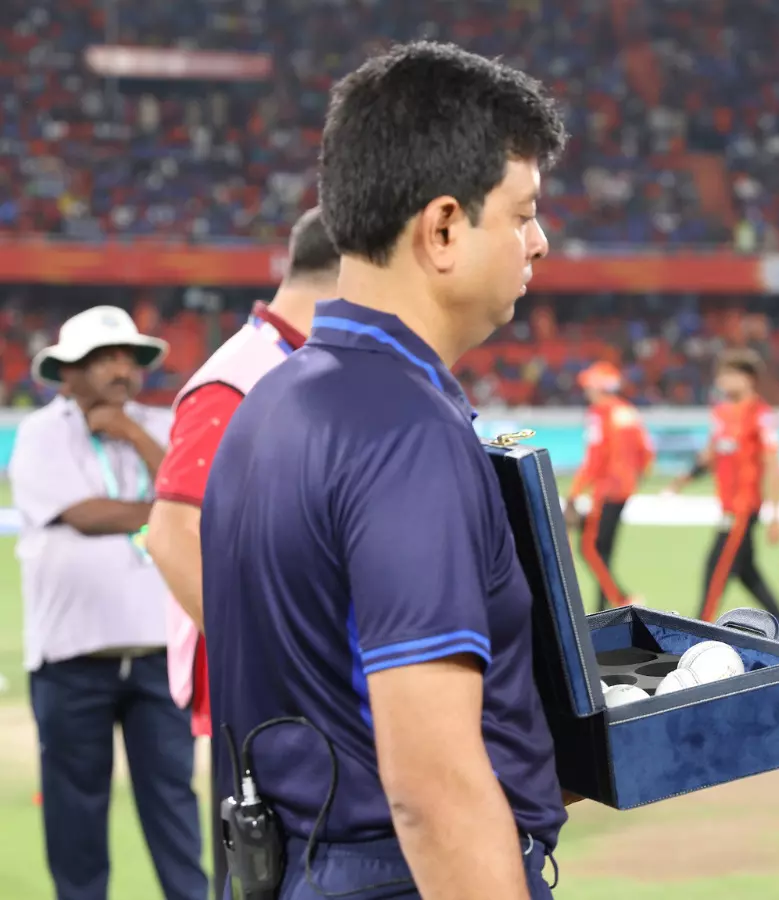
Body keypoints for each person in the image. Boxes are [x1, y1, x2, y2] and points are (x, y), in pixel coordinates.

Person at [198, 42, 570, 899]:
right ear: (442, 229)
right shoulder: (406, 432)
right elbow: (433, 790)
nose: (539, 243)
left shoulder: (270, 402)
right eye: (522, 215)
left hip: (288, 863)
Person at [146, 206, 340, 900]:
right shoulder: (241, 375)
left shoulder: (287, 363)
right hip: (267, 709)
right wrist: (271, 658)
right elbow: (170, 533)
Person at [10, 306, 207, 900]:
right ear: (67, 373)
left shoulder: (164, 424)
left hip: (157, 655)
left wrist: (133, 435)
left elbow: (195, 500)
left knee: (174, 806)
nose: (120, 369)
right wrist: (163, 516)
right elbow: (85, 515)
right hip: (72, 659)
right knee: (75, 815)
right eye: (102, 359)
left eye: (127, 357)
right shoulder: (41, 433)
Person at [669, 350, 779, 641]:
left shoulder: (761, 416)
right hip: (727, 507)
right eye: (722, 374)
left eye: (730, 374)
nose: (723, 380)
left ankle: (697, 632)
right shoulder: (720, 413)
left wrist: (775, 516)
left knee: (716, 568)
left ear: (748, 379)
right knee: (747, 573)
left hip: (744, 509)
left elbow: (773, 467)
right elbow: (710, 455)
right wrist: (681, 480)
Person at [566, 361, 654, 611]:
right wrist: (632, 479)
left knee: (590, 549)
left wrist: (574, 492)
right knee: (603, 551)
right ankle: (603, 608)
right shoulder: (627, 411)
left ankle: (623, 599)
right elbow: (646, 454)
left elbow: (595, 458)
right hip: (623, 489)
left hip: (605, 490)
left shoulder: (599, 413)